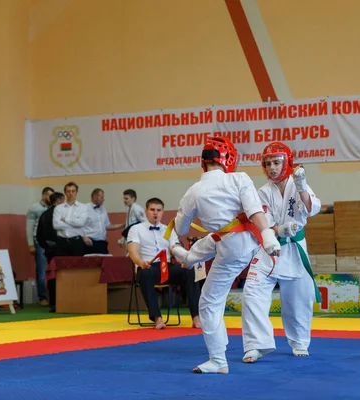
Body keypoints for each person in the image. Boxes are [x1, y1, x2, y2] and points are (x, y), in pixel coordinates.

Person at [168, 136, 281, 374]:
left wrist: (183, 218)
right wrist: (267, 235)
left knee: (208, 303)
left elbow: (181, 230)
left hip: (232, 248)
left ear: (203, 162)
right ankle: (188, 258)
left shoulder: (194, 191)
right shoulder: (239, 178)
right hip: (242, 239)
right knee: (213, 239)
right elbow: (254, 211)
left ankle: (218, 360)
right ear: (228, 159)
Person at [241, 142, 321, 363]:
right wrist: (278, 229)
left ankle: (300, 342)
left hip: (295, 249)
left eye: (277, 162)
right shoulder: (262, 192)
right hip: (269, 247)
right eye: (268, 164)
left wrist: (302, 185)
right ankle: (255, 345)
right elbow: (261, 221)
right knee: (252, 292)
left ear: (287, 162)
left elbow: (313, 209)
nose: (272, 168)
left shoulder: (298, 184)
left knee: (299, 299)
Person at [127, 197, 201, 329]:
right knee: (145, 273)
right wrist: (140, 262)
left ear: (162, 212)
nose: (155, 213)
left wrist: (186, 260)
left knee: (190, 272)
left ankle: (196, 317)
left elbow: (175, 249)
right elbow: (133, 251)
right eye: (152, 210)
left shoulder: (169, 229)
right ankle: (157, 318)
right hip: (147, 266)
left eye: (158, 210)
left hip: (166, 267)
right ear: (146, 211)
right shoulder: (136, 229)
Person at [26, 186, 54, 305]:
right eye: (49, 196)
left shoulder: (55, 208)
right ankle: (42, 297)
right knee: (42, 270)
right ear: (43, 196)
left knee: (53, 268)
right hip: (39, 242)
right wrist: (31, 244)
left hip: (53, 243)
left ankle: (54, 296)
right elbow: (29, 227)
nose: (52, 198)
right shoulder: (34, 208)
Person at [83, 189, 124, 255]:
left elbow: (107, 226)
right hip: (90, 243)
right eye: (101, 197)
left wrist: (123, 225)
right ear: (94, 197)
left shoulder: (103, 208)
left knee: (105, 263)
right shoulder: (84, 208)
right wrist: (84, 238)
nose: (103, 199)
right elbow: (78, 226)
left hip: (102, 243)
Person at [53, 182, 87, 256]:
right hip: (61, 242)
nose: (70, 193)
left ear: (76, 192)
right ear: (65, 193)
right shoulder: (58, 208)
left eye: (73, 191)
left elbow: (81, 223)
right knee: (61, 266)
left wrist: (65, 220)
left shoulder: (83, 207)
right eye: (68, 191)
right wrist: (74, 224)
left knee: (77, 266)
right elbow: (56, 225)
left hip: (77, 242)